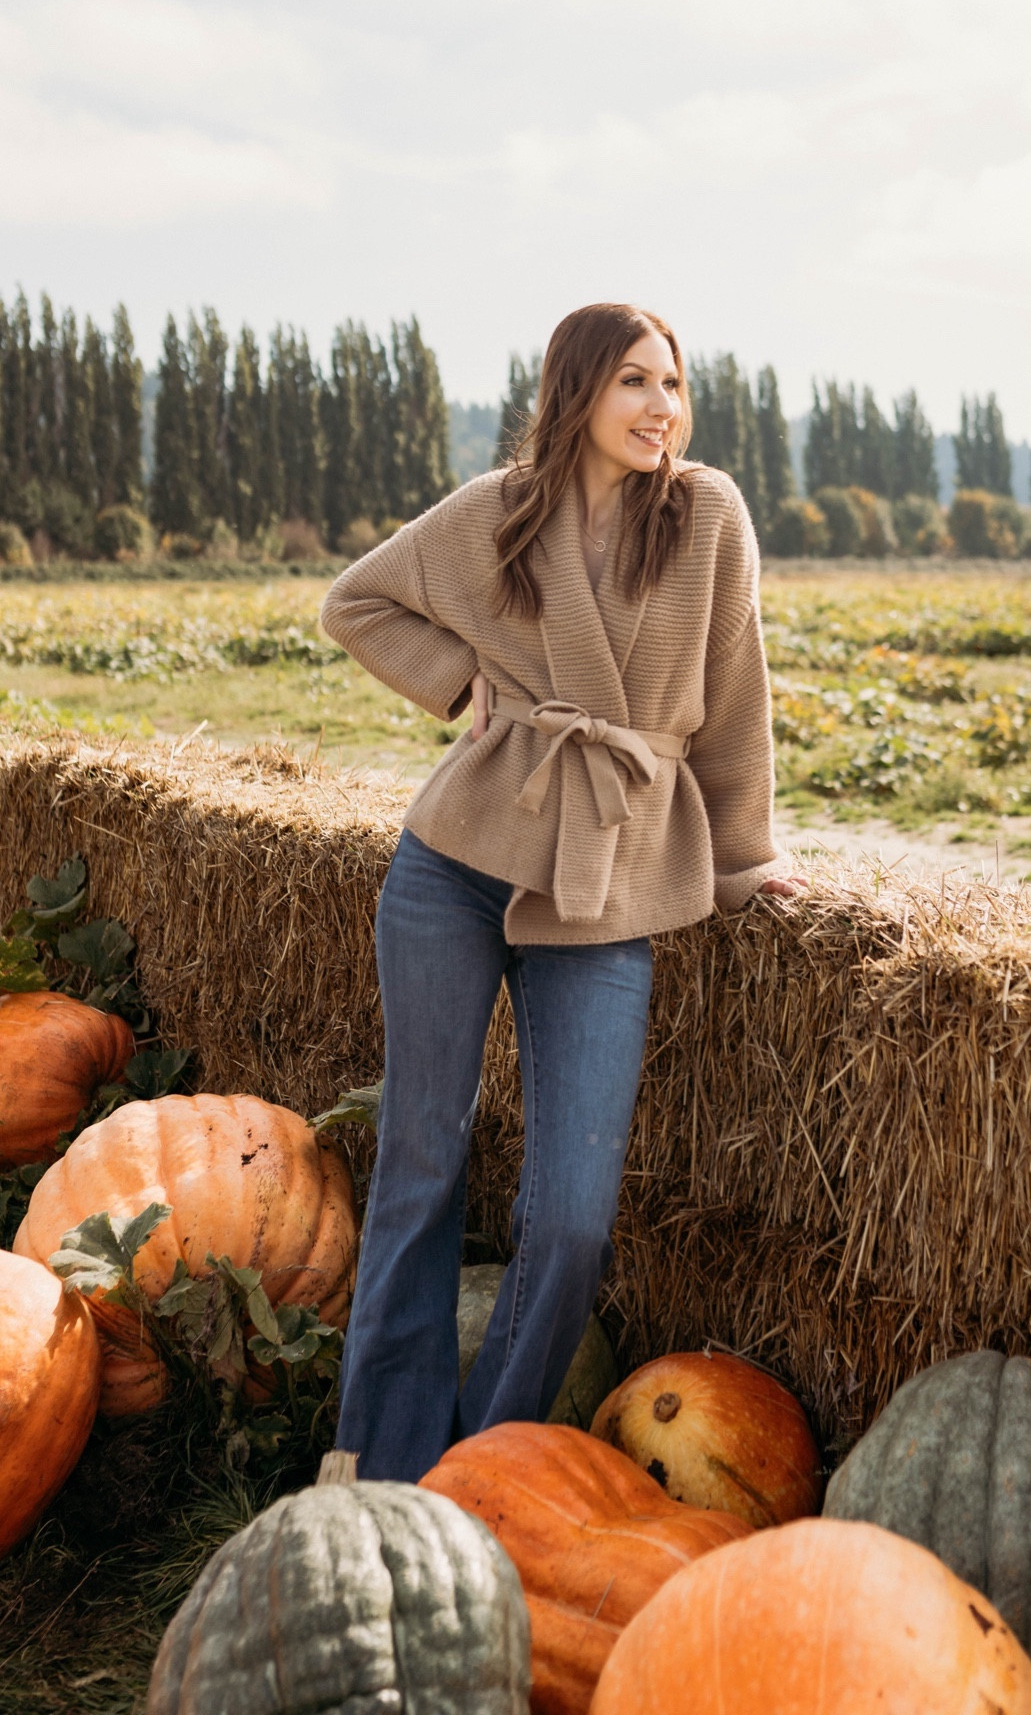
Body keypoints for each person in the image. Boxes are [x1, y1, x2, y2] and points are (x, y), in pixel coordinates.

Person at [319, 301, 805, 1481]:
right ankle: (376, 1461)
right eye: (635, 382)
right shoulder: (497, 514)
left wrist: (744, 860)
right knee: (423, 1160)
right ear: (576, 391)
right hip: (453, 865)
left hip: (610, 888)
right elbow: (355, 601)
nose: (660, 407)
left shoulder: (707, 516)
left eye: (672, 385)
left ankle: (479, 1467)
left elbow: (735, 698)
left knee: (575, 1214)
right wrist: (462, 674)